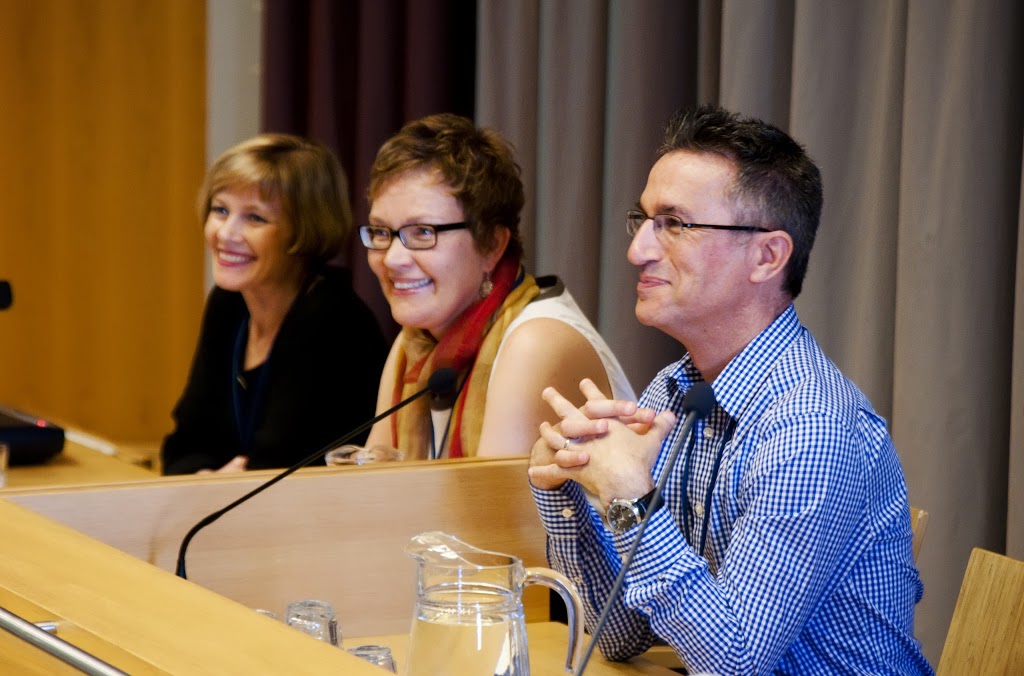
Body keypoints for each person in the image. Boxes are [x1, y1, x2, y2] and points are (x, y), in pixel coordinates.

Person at [528, 105, 932, 674]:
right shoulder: (675, 391)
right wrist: (562, 490)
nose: (638, 250)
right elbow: (621, 634)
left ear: (767, 256)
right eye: (642, 220)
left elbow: (734, 661)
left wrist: (627, 495)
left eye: (674, 223)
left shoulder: (811, 425)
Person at [362, 113, 634, 460]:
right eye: (381, 233)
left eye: (422, 233)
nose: (392, 258)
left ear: (492, 244)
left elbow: (484, 510)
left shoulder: (535, 342)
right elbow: (372, 489)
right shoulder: (412, 342)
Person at [161, 134, 387, 475]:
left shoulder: (333, 322)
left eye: (255, 219)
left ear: (303, 232)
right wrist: (203, 480)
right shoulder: (229, 304)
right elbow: (184, 444)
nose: (226, 233)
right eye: (220, 210)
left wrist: (214, 487)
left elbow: (282, 472)